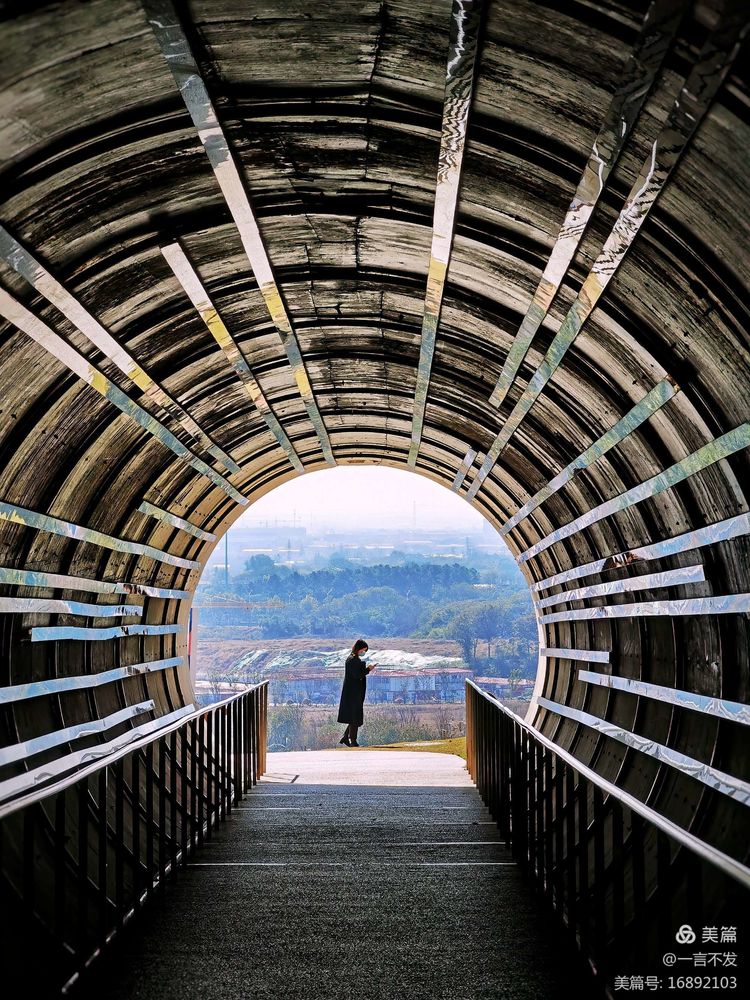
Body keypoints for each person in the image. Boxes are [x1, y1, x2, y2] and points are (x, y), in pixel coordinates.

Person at [337, 639, 377, 747]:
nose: (363, 653)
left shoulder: (354, 659)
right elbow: (357, 675)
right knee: (354, 717)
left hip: (355, 693)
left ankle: (346, 737)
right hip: (352, 694)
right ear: (359, 649)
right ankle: (353, 740)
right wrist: (368, 669)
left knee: (353, 717)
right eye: (363, 650)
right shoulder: (352, 660)